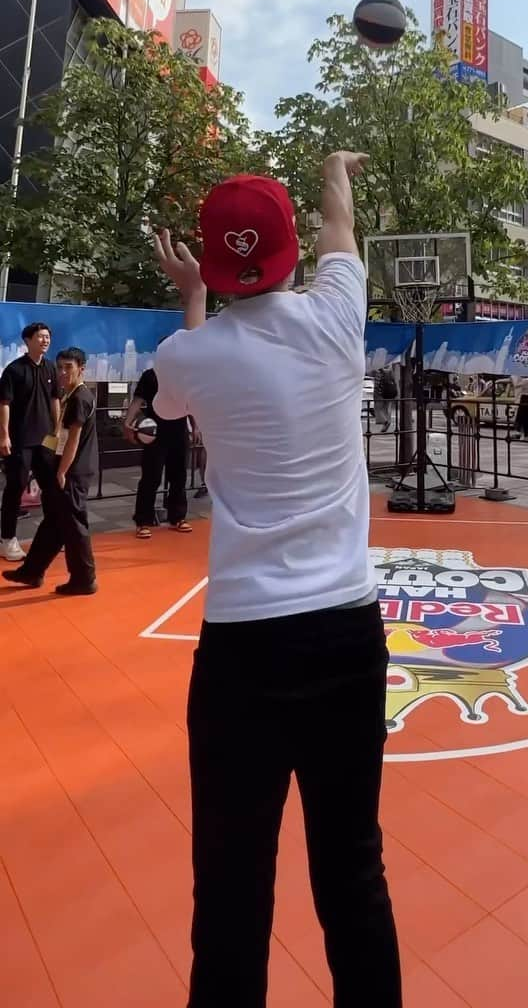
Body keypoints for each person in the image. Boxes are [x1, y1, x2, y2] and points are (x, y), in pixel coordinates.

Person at [151, 154, 401, 1008]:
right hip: (343, 631)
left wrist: (190, 290)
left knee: (228, 889)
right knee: (353, 873)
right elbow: (342, 226)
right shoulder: (336, 318)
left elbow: (175, 388)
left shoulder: (190, 354)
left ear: (216, 267)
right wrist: (335, 170)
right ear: (294, 253)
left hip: (243, 648)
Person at [2, 347, 98, 595]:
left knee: (74, 526)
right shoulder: (70, 395)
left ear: (81, 369)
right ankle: (32, 571)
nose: (63, 372)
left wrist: (62, 471)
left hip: (73, 472)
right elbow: (58, 434)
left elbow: (73, 439)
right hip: (62, 467)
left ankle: (84, 578)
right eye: (60, 367)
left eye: (69, 367)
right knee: (54, 522)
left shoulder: (80, 397)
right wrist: (47, 462)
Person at [0, 321, 59, 561]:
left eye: (48, 337)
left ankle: (55, 534)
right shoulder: (14, 370)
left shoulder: (52, 368)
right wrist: (4, 435)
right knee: (15, 488)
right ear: (28, 340)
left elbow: (56, 399)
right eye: (40, 337)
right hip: (20, 439)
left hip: (47, 439)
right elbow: (4, 403)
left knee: (53, 487)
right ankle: (7, 540)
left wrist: (57, 430)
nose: (45, 340)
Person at [123, 360, 192, 538]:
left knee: (179, 476)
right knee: (151, 477)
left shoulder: (183, 376)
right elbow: (137, 400)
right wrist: (128, 422)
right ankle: (143, 521)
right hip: (154, 434)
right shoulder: (149, 376)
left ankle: (177, 517)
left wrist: (196, 426)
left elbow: (190, 403)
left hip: (179, 432)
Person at [373, 366, 397, 432]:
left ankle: (385, 421)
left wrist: (375, 394)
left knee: (378, 409)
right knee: (386, 410)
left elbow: (377, 385)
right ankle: (385, 426)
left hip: (380, 394)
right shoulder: (390, 371)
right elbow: (394, 381)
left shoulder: (379, 371)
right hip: (389, 394)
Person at [513, 376, 528, 441]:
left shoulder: (525, 380)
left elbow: (516, 385)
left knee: (522, 417)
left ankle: (525, 434)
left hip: (524, 398)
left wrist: (516, 379)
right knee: (527, 417)